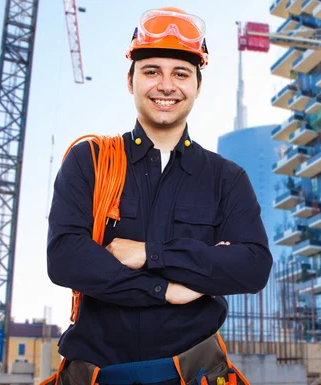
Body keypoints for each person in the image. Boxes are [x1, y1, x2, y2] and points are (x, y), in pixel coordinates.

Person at [43, 6, 272, 385]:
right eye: (152, 71)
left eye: (180, 73)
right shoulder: (91, 161)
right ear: (130, 80)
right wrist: (167, 288)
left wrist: (149, 253)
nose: (166, 86)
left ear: (198, 86)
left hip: (195, 373)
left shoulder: (226, 178)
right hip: (95, 373)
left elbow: (252, 266)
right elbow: (66, 258)